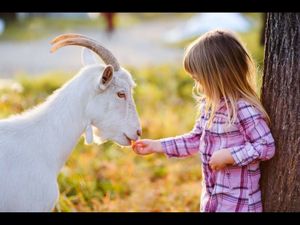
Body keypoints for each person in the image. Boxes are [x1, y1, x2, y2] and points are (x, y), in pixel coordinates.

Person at [132, 29, 275, 212]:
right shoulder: (209, 108)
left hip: (239, 204)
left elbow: (266, 145)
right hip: (213, 199)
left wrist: (231, 156)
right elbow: (195, 139)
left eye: (199, 79)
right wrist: (157, 145)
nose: (197, 86)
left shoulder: (243, 109)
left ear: (218, 76)